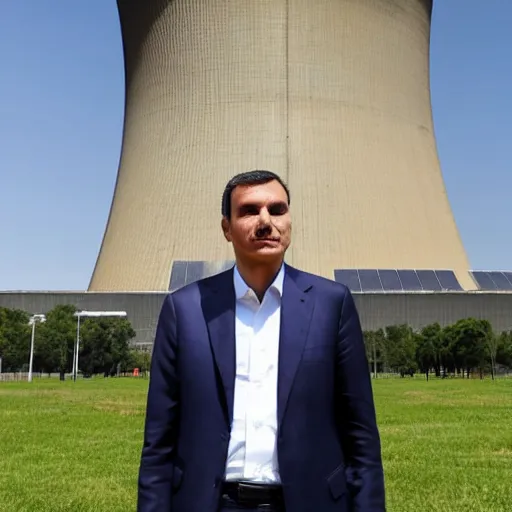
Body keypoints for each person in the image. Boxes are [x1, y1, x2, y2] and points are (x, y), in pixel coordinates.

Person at [138, 170, 386, 512]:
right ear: (227, 228)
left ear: (290, 222)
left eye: (277, 209)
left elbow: (361, 439)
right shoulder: (186, 309)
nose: (266, 221)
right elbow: (158, 445)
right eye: (250, 211)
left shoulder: (331, 304)